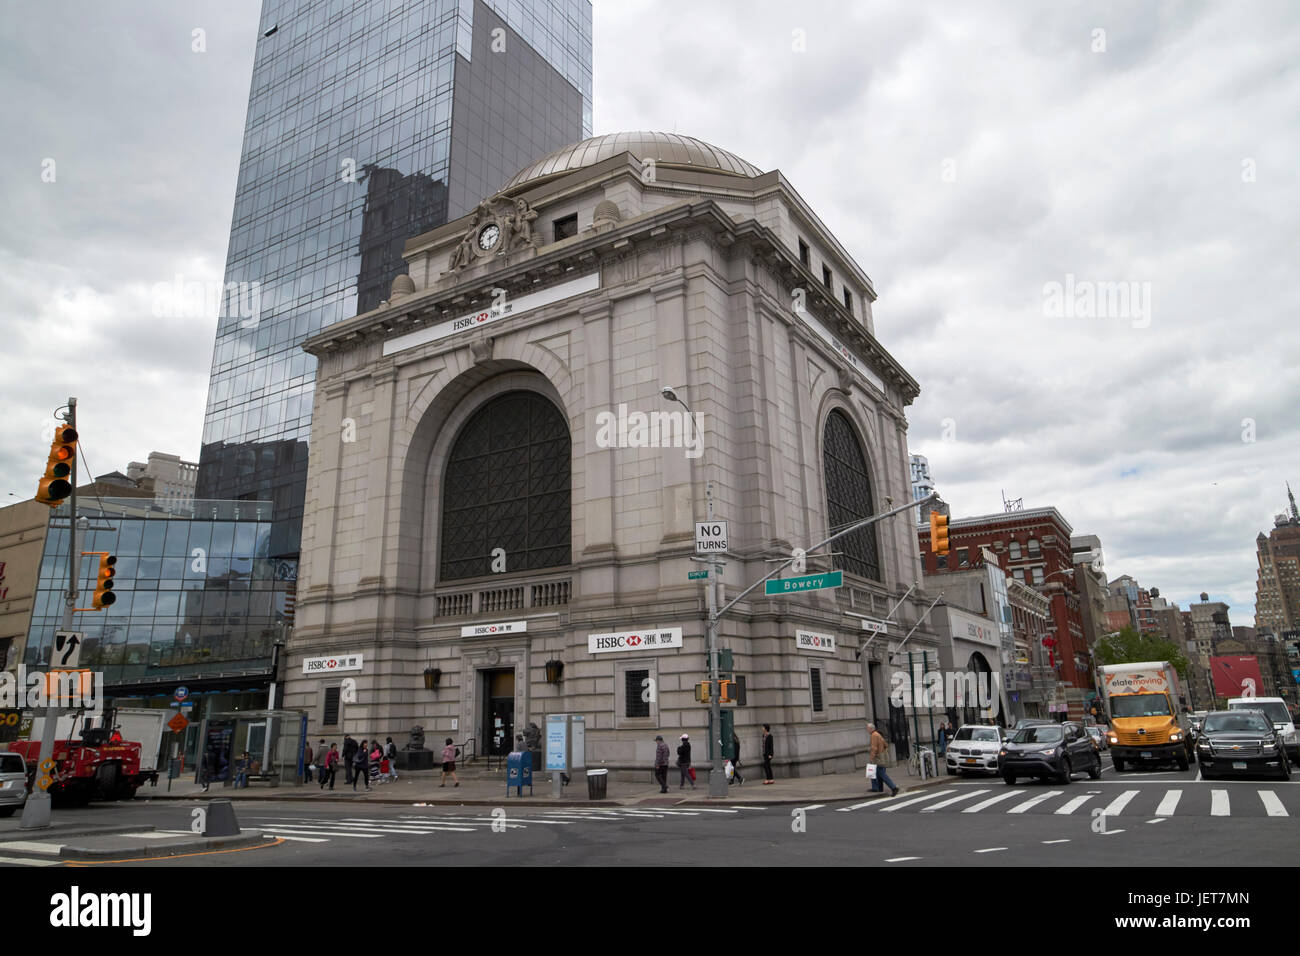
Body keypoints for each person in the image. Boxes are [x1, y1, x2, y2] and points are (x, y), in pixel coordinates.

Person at [868, 723, 899, 797]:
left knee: (881, 773)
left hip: (878, 758)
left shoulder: (874, 735)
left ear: (871, 729)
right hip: (881, 756)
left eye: (868, 728)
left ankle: (893, 787)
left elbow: (874, 748)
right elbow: (886, 744)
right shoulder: (878, 735)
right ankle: (878, 788)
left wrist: (872, 757)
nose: (867, 730)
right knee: (878, 773)